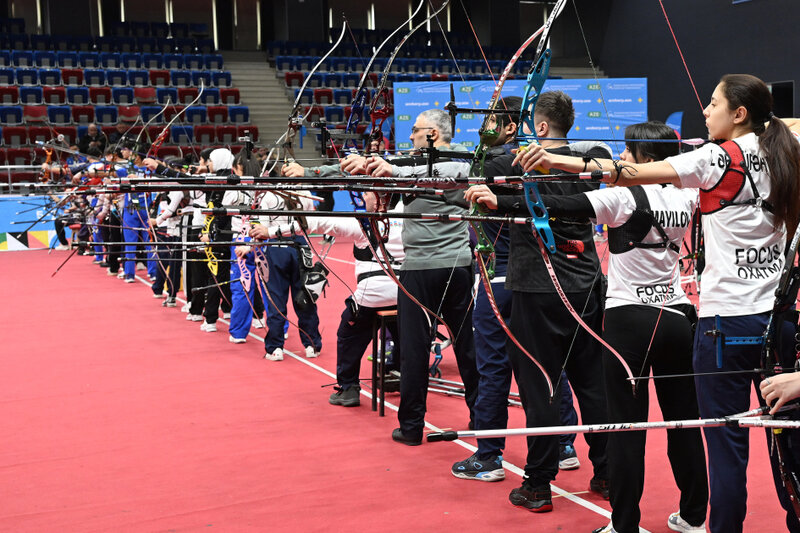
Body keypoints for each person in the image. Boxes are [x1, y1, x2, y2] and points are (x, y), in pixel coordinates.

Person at [513, 74, 800, 533]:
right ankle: (710, 515)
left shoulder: (714, 158)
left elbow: (620, 179)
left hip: (716, 324)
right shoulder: (785, 154)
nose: (705, 112)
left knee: (722, 442)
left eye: (712, 102)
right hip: (775, 321)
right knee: (789, 440)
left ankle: (639, 523)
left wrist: (554, 163)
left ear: (739, 114)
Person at [470, 120, 709, 532]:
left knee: (627, 429)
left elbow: (559, 209)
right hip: (676, 317)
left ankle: (624, 525)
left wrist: (499, 201)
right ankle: (693, 516)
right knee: (682, 422)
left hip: (628, 323)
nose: (620, 159)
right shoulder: (687, 196)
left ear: (644, 159)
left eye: (628, 154)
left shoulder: (622, 197)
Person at [449, 96, 581, 483]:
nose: (481, 128)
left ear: (513, 127)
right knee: (548, 365)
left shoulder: (500, 164)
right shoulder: (558, 163)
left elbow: (452, 175)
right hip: (546, 281)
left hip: (503, 282)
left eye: (491, 121)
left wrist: (394, 166)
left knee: (493, 369)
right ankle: (563, 444)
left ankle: (489, 455)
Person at [362, 108, 480, 446]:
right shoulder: (410, 164)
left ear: (432, 133)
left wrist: (394, 169)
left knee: (419, 349)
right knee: (461, 346)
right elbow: (380, 169)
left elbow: (440, 171)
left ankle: (415, 426)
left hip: (430, 270)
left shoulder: (460, 162)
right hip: (453, 268)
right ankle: (473, 418)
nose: (410, 135)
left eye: (415, 130)